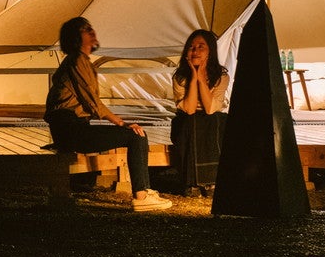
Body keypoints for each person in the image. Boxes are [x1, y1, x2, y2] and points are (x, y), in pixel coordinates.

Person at [44, 17, 172, 212]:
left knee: (137, 134)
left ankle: (144, 190)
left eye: (90, 27)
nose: (92, 31)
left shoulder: (81, 61)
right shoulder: (77, 60)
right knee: (136, 136)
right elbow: (93, 102)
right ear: (76, 37)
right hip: (70, 128)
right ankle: (141, 195)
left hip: (72, 127)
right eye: (86, 30)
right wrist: (121, 123)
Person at [170, 29, 230, 196]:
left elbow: (211, 108)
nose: (195, 51)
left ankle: (211, 180)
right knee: (190, 121)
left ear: (210, 51)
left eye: (201, 46)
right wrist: (194, 78)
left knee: (214, 119)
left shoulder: (221, 76)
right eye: (191, 47)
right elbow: (189, 109)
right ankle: (192, 182)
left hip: (212, 120)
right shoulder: (180, 77)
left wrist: (202, 79)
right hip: (187, 121)